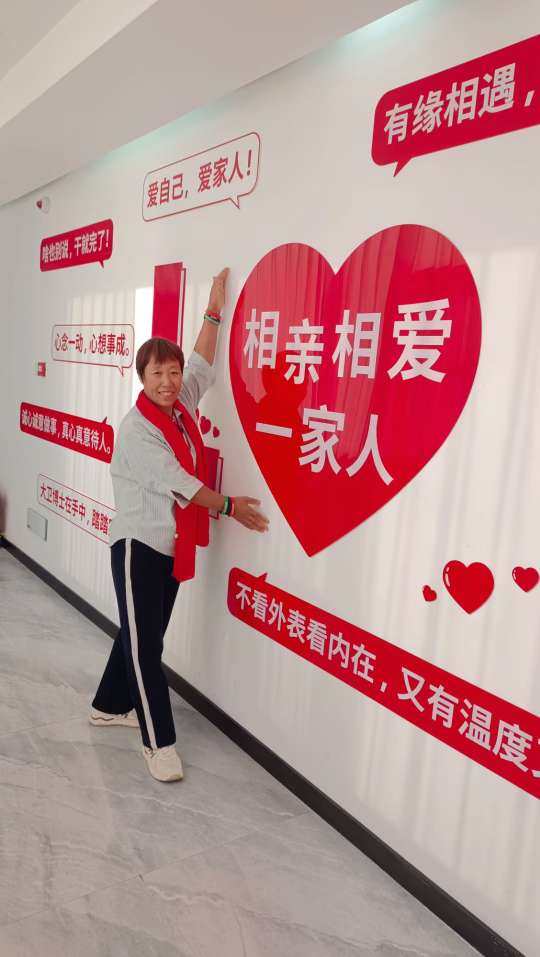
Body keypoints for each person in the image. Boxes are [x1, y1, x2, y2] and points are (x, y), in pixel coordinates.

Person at [89, 268, 268, 783]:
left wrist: (214, 309)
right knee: (147, 647)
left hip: (170, 545)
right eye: (157, 375)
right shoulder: (138, 430)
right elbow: (184, 485)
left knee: (142, 634)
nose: (168, 382)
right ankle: (159, 743)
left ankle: (108, 706)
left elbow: (203, 365)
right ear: (141, 379)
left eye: (172, 372)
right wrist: (230, 506)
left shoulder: (180, 407)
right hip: (138, 545)